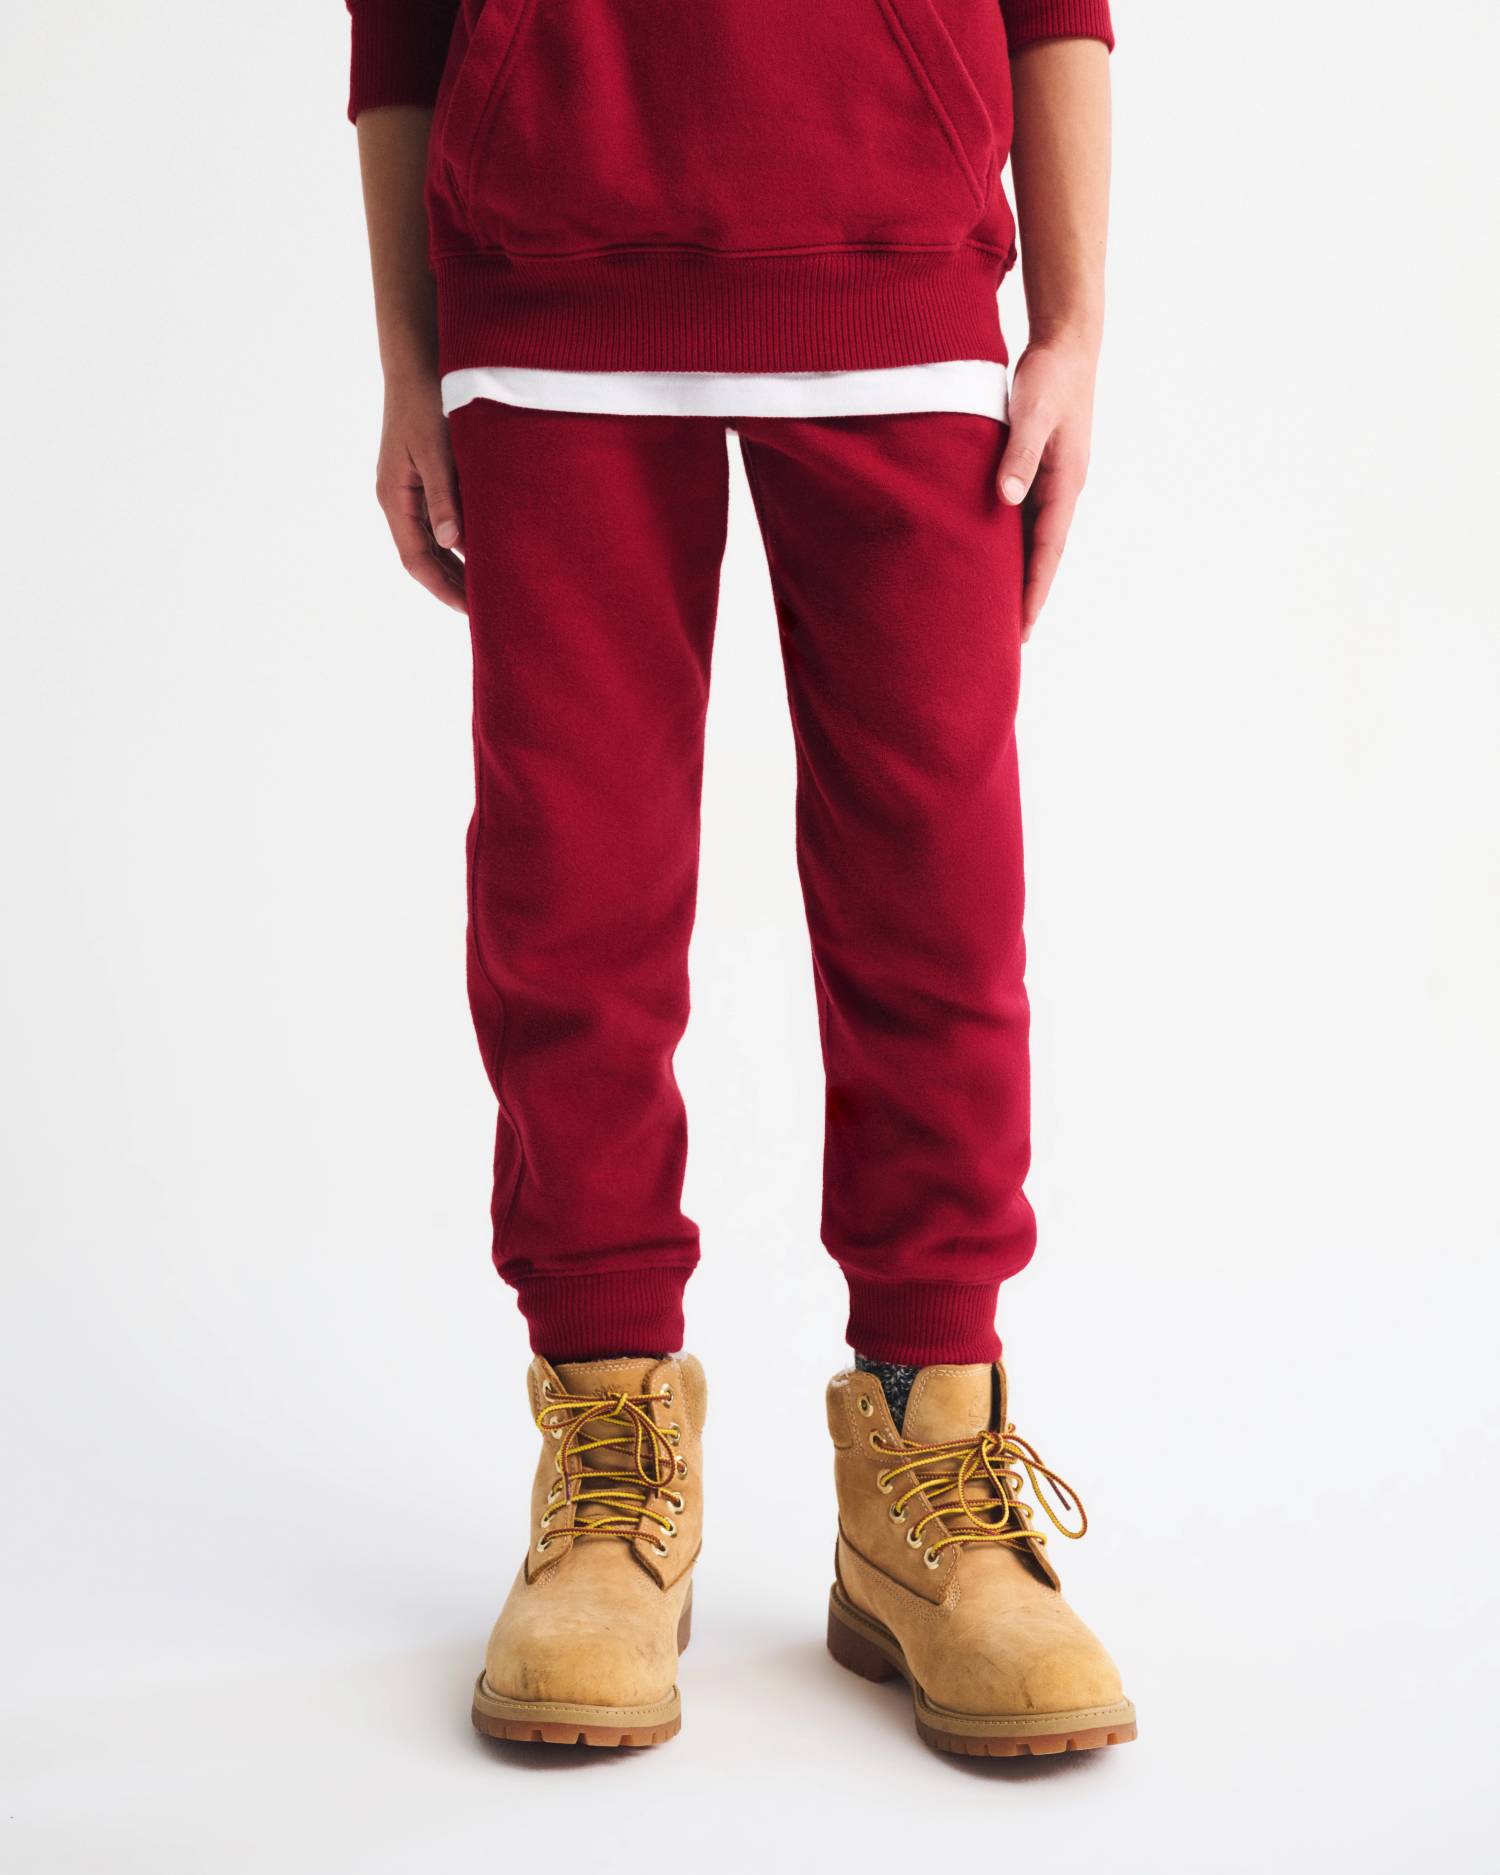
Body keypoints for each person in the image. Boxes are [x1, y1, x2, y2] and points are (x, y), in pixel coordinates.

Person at [346, 0, 1134, 1758]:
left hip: (899, 253)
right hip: (545, 271)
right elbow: (396, 21)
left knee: (939, 895)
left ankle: (930, 1463)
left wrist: (1074, 326)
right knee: (571, 890)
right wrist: (409, 354)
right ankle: (609, 1452)